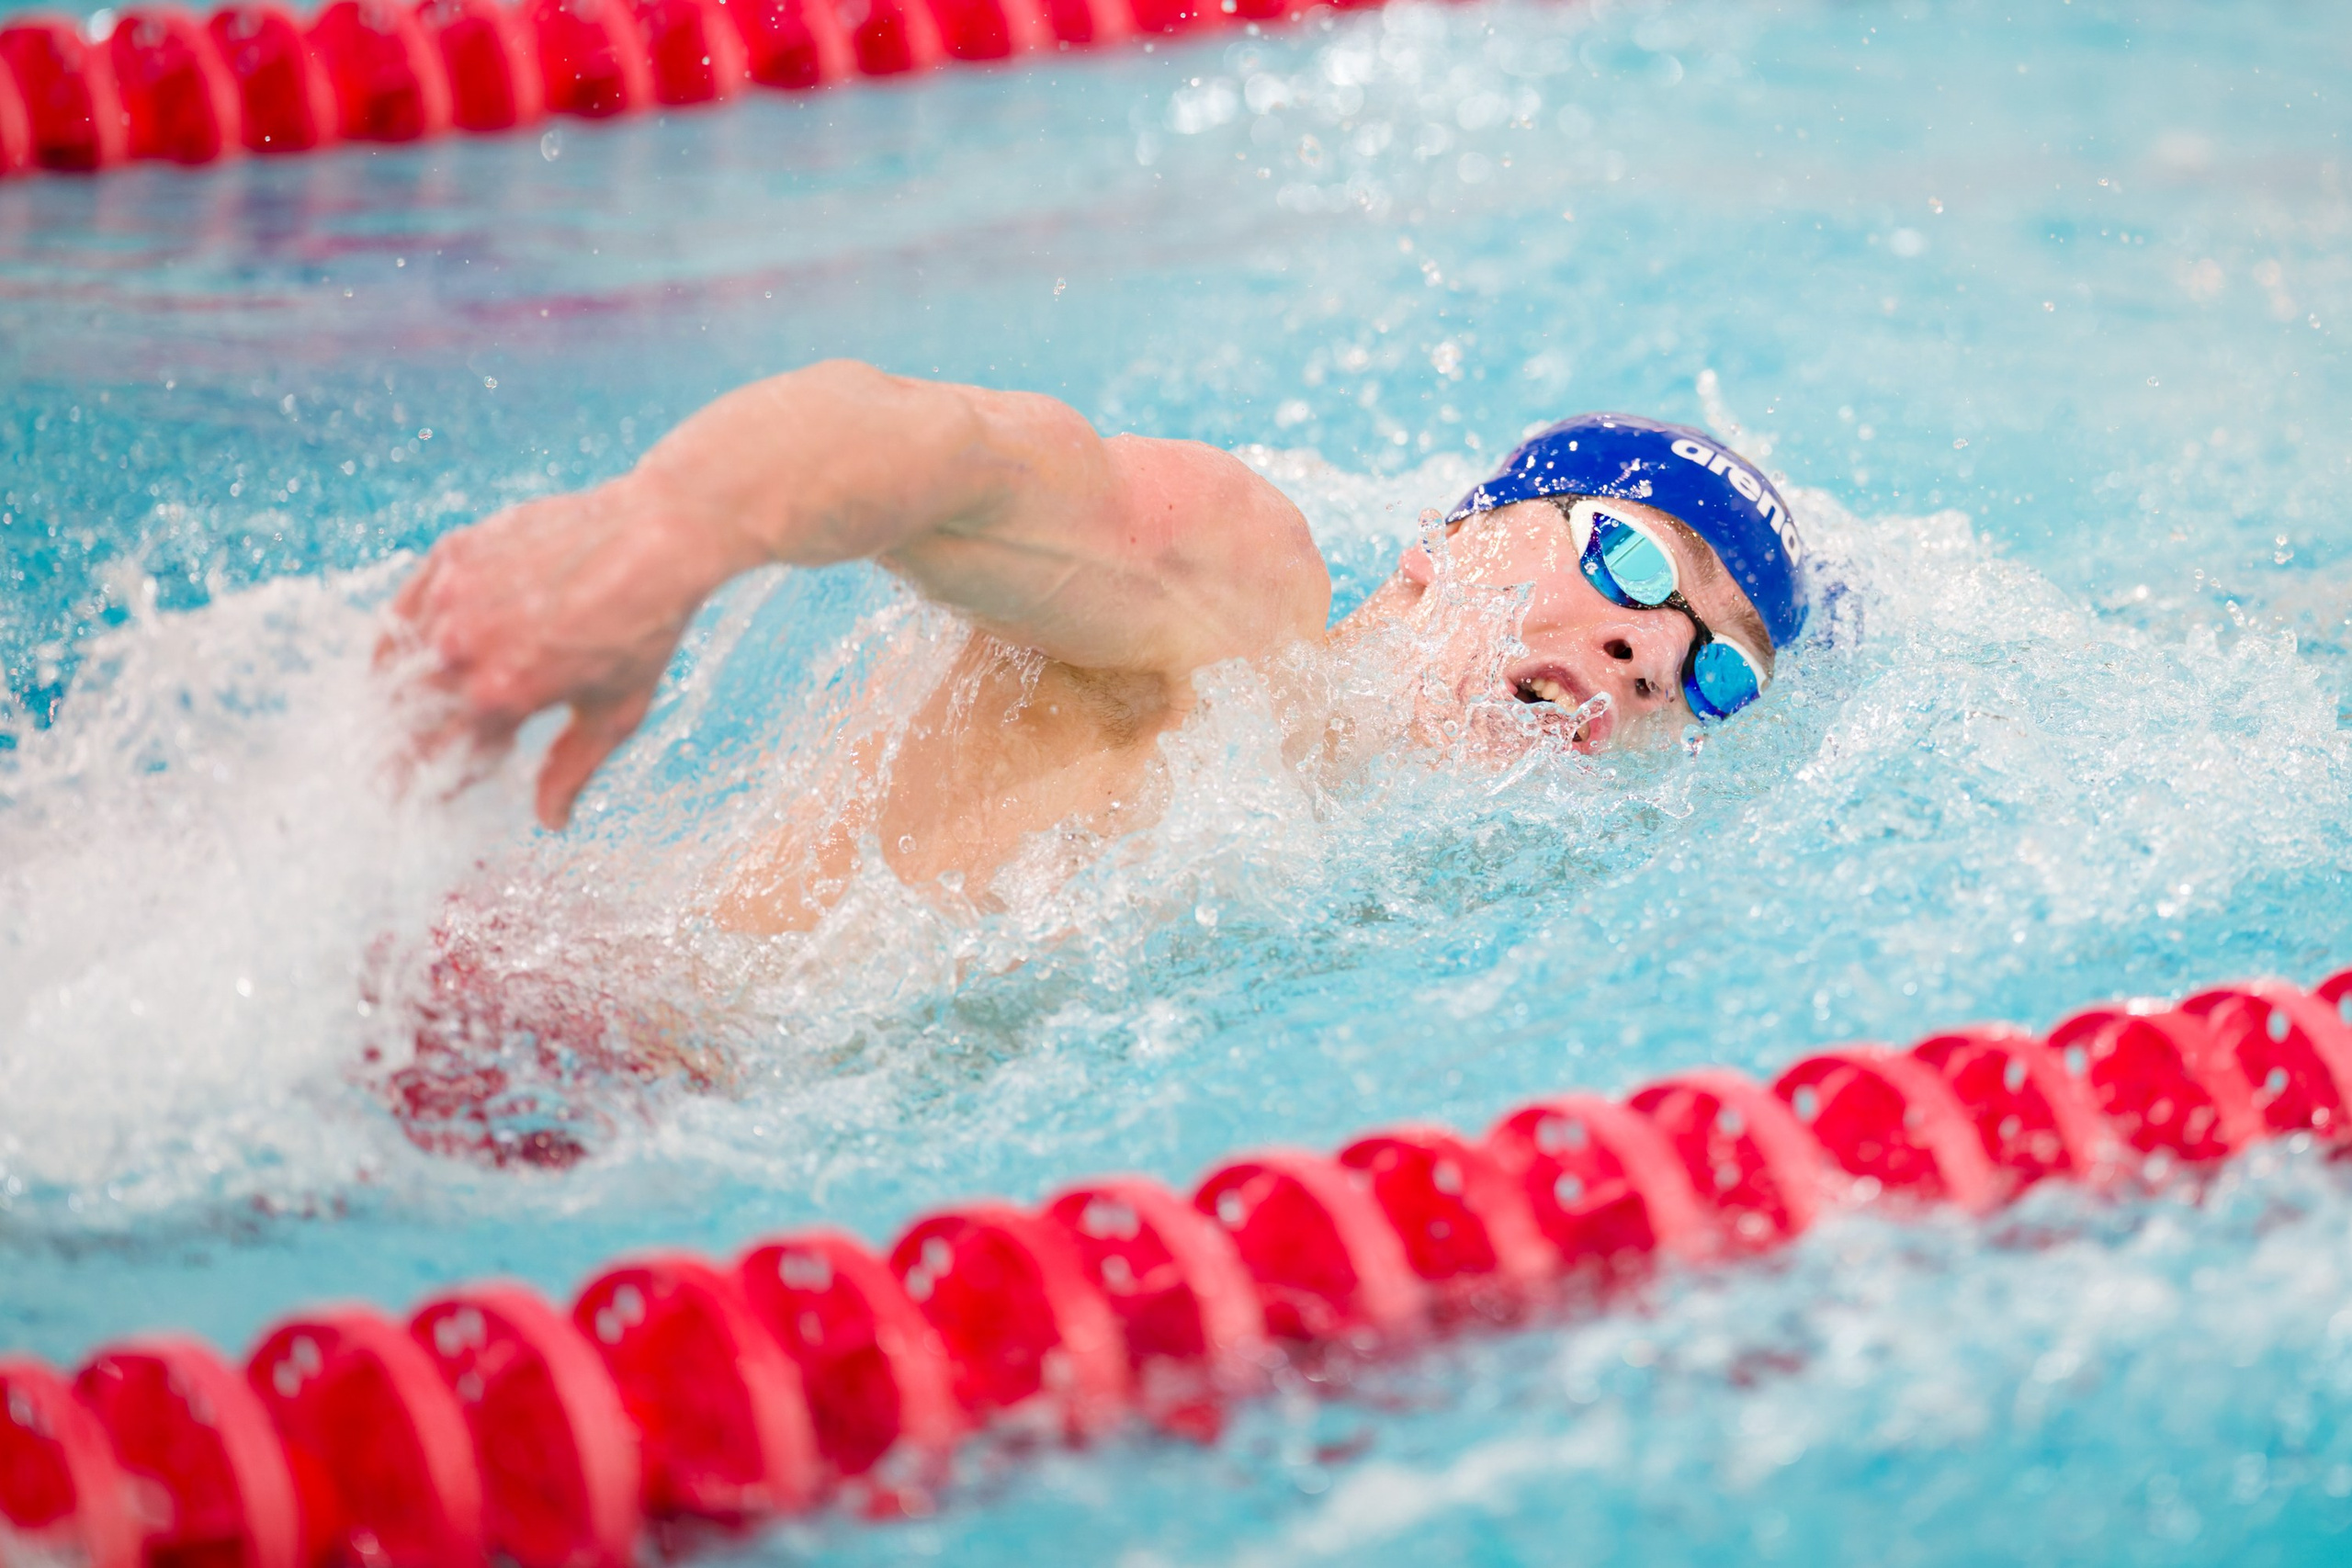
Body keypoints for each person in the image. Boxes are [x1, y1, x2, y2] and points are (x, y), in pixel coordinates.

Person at [387, 359, 1808, 937]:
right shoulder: (1234, 608)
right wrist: (671, 539)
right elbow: (944, 451)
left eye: (1711, 673)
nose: (1645, 655)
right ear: (1447, 545)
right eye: (1627, 554)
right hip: (543, 1027)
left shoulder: (1391, 881)